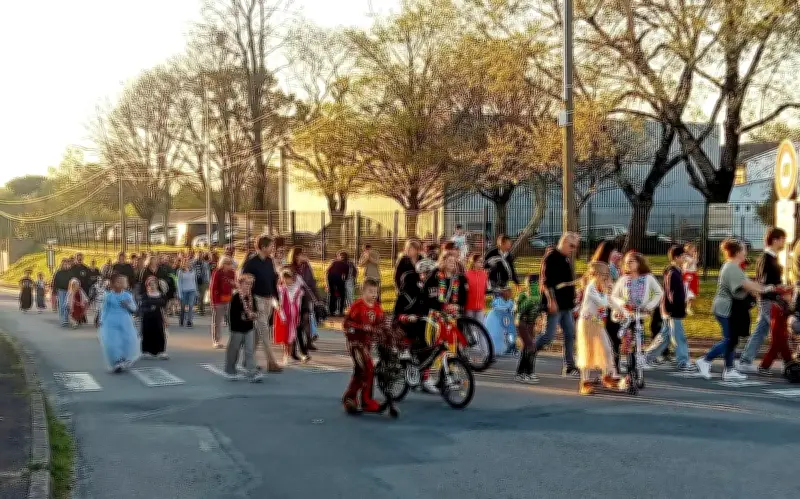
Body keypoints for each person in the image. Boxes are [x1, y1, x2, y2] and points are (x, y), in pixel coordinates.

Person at [696, 239, 774, 381]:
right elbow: (745, 285)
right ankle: (705, 359)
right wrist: (765, 288)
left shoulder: (734, 267)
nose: (746, 252)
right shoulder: (731, 267)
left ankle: (729, 369)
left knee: (731, 339)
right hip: (725, 309)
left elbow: (748, 285)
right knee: (730, 340)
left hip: (728, 308)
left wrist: (760, 289)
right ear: (737, 252)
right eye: (744, 249)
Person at [737, 227, 787, 373]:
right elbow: (764, 282)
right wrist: (777, 287)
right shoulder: (766, 258)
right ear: (775, 240)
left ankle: (747, 360)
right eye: (782, 239)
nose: (784, 242)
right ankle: (787, 361)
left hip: (768, 299)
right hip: (769, 300)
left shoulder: (770, 257)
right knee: (777, 331)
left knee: (761, 330)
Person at [533, 233, 580, 377]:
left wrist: (574, 296)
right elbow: (546, 282)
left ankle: (569, 366)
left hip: (566, 305)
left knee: (570, 334)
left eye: (575, 247)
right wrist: (551, 300)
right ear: (564, 242)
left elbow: (566, 281)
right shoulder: (552, 257)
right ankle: (529, 350)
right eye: (571, 246)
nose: (573, 249)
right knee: (548, 336)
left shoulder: (565, 258)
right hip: (555, 303)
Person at [610, 252, 664, 374]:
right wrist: (622, 305)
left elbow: (659, 293)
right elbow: (614, 295)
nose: (628, 264)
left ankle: (634, 368)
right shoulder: (623, 279)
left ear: (639, 263)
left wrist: (649, 306)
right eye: (626, 262)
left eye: (631, 261)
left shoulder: (648, 278)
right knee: (623, 341)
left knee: (638, 342)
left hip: (638, 315)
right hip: (625, 316)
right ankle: (616, 368)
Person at [644, 245, 694, 371]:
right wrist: (678, 308)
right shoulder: (673, 273)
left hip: (669, 310)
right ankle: (683, 361)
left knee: (664, 338)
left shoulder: (674, 272)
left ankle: (646, 357)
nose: (684, 258)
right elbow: (672, 294)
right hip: (673, 310)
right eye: (682, 256)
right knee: (678, 336)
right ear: (676, 258)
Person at [576, 262, 620, 395]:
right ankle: (585, 382)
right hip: (587, 322)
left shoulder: (602, 287)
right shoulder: (591, 287)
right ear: (595, 275)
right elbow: (602, 302)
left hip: (597, 322)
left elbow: (612, 303)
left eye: (607, 275)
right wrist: (608, 293)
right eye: (604, 275)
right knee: (587, 351)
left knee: (606, 349)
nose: (606, 278)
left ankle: (607, 376)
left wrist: (621, 309)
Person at [342, 278, 384, 414]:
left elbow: (380, 324)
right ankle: (357, 399)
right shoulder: (357, 306)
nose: (373, 295)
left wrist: (381, 331)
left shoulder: (377, 308)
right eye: (370, 291)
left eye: (375, 292)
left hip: (367, 345)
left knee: (364, 371)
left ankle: (357, 398)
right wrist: (361, 328)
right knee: (366, 369)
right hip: (356, 344)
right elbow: (347, 324)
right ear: (363, 292)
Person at [241, 235, 282, 372]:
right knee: (264, 331)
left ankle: (247, 360)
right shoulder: (251, 263)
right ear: (263, 247)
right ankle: (272, 363)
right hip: (257, 299)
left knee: (258, 334)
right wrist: (248, 302)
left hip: (268, 299)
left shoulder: (270, 261)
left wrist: (277, 298)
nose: (273, 248)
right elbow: (244, 283)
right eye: (271, 246)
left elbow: (272, 280)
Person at [224, 274, 264, 382]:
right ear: (240, 284)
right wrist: (245, 315)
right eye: (246, 283)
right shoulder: (236, 297)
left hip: (249, 328)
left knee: (249, 351)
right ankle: (230, 370)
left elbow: (255, 311)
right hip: (237, 328)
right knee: (234, 350)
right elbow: (232, 315)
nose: (248, 286)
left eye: (250, 284)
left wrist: (254, 314)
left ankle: (252, 373)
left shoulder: (252, 298)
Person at [591, 242, 623, 372]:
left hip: (613, 305)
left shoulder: (613, 267)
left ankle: (613, 364)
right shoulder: (601, 266)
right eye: (614, 251)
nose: (617, 253)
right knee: (610, 336)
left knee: (614, 336)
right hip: (603, 306)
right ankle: (610, 365)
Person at [98, 273, 140, 373]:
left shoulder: (127, 295)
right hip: (111, 321)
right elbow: (104, 309)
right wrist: (102, 320)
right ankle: (116, 361)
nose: (122, 283)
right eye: (119, 281)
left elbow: (134, 308)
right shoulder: (108, 296)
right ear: (113, 283)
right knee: (113, 342)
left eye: (124, 281)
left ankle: (124, 358)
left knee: (127, 340)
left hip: (125, 321)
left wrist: (128, 305)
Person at [274, 269, 310, 364]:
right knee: (284, 336)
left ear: (292, 279)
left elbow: (298, 304)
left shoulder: (297, 290)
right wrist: (280, 312)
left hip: (293, 315)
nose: (286, 281)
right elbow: (276, 301)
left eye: (288, 279)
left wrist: (297, 316)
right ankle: (285, 354)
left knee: (291, 336)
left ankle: (288, 355)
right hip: (283, 314)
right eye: (284, 279)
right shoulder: (280, 289)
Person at [515, 274, 541, 383]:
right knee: (530, 346)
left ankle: (525, 372)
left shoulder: (540, 296)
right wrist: (530, 300)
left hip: (531, 325)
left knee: (527, 348)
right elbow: (518, 311)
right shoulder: (523, 296)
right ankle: (524, 373)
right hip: (522, 324)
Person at [210, 256, 236, 349]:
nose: (230, 266)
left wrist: (234, 284)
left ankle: (235, 340)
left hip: (228, 299)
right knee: (217, 322)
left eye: (230, 264)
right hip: (218, 300)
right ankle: (216, 340)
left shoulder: (232, 273)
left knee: (232, 321)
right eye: (228, 264)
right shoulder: (217, 272)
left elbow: (234, 285)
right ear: (223, 264)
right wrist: (213, 301)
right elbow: (213, 287)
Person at [140, 277, 168, 359]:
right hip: (147, 318)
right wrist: (149, 309)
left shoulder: (161, 295)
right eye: (150, 284)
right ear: (147, 286)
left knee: (159, 333)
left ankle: (161, 351)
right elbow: (141, 307)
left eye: (154, 284)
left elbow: (164, 307)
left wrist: (165, 319)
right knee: (147, 333)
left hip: (158, 317)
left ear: (157, 285)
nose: (152, 286)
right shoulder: (145, 295)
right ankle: (146, 351)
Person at [485, 285, 516, 356]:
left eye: (510, 292)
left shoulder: (511, 302)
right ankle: (495, 348)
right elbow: (495, 306)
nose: (509, 294)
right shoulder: (497, 300)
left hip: (507, 320)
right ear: (503, 293)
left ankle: (511, 346)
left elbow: (511, 309)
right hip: (498, 320)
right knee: (499, 334)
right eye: (507, 292)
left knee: (510, 333)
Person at [464, 253, 488, 323]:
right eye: (479, 261)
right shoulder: (466, 274)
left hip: (480, 307)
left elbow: (486, 289)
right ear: (473, 262)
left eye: (482, 262)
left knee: (480, 328)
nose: (482, 264)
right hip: (469, 307)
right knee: (470, 327)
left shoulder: (484, 275)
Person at [326, 252, 350, 316]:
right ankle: (341, 311)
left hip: (330, 277)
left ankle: (331, 311)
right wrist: (342, 284)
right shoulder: (346, 265)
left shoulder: (334, 262)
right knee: (342, 295)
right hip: (337, 277)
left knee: (332, 294)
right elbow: (346, 276)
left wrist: (328, 284)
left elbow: (327, 271)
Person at [176, 260, 198, 328]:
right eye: (185, 263)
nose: (187, 264)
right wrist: (179, 293)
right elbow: (178, 282)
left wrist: (196, 291)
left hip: (192, 290)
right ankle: (182, 320)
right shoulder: (180, 271)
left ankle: (189, 321)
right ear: (183, 264)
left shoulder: (193, 271)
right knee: (183, 307)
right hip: (183, 291)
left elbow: (194, 281)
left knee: (191, 306)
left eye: (188, 263)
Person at [53, 259, 73, 327]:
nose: (66, 265)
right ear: (62, 264)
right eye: (64, 264)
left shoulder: (70, 272)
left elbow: (72, 281)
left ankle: (66, 319)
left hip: (68, 290)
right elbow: (55, 282)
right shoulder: (58, 272)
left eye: (67, 264)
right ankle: (62, 319)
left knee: (67, 304)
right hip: (61, 290)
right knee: (62, 305)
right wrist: (54, 291)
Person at [192, 251, 211, 316]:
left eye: (200, 255)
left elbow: (208, 273)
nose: (199, 256)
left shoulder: (205, 263)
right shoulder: (192, 263)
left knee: (202, 296)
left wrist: (209, 282)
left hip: (204, 282)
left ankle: (201, 309)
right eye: (198, 255)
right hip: (195, 281)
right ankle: (200, 309)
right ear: (196, 256)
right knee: (198, 296)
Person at [683, 243, 699, 314]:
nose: (694, 251)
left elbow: (695, 262)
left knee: (692, 291)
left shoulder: (691, 257)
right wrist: (695, 257)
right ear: (688, 250)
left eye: (695, 250)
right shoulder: (685, 257)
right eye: (693, 250)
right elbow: (692, 262)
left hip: (693, 275)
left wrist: (695, 256)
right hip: (688, 276)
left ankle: (688, 307)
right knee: (688, 292)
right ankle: (687, 308)